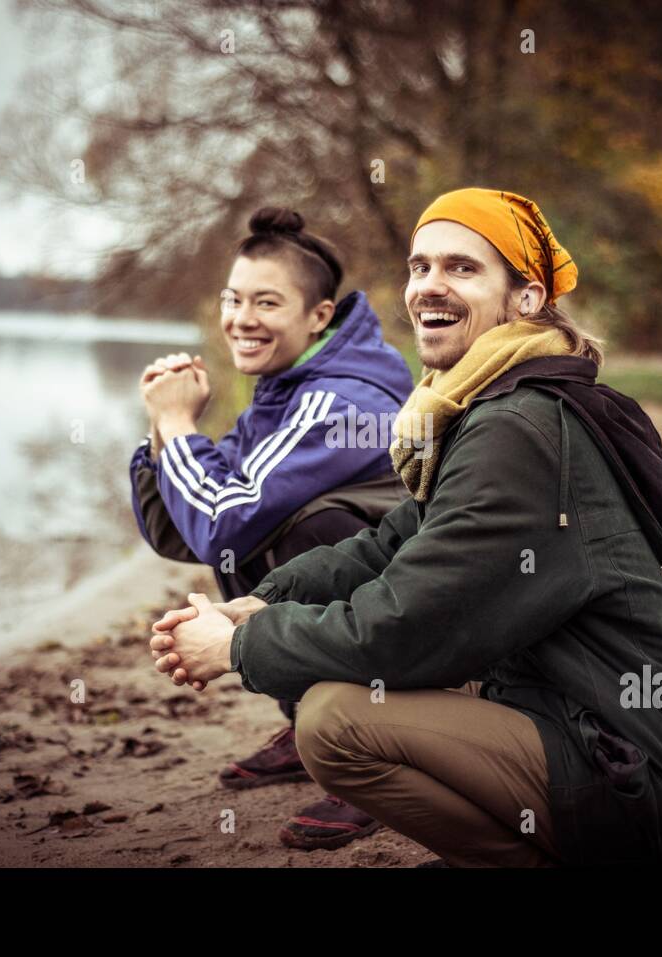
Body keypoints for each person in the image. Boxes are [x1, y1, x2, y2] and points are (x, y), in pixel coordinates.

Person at [151, 187, 662, 868]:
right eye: (419, 266)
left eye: (461, 268)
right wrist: (259, 603)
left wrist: (241, 647)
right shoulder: (488, 406)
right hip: (586, 732)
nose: (429, 286)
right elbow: (388, 543)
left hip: (635, 779)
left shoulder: (519, 428)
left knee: (335, 721)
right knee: (344, 680)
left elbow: (407, 624)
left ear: (527, 299)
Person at [131, 206, 413, 850]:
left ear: (318, 316)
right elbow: (180, 530)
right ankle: (309, 723)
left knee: (304, 532)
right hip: (372, 606)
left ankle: (370, 750)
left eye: (266, 302)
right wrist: (161, 431)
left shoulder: (339, 400)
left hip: (415, 614)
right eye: (233, 299)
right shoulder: (286, 389)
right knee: (260, 528)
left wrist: (179, 429)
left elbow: (219, 524)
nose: (241, 319)